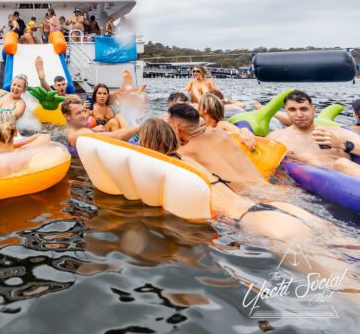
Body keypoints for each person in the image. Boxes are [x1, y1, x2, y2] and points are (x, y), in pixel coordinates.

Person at [139, 118, 339, 241]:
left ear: (146, 142)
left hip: (251, 220)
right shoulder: (187, 159)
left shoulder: (165, 169)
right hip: (274, 206)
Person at [166, 103, 267, 188]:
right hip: (269, 187)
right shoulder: (221, 133)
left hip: (249, 199)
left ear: (177, 129)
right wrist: (245, 130)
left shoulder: (183, 153)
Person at [268, 90, 360, 177]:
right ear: (286, 111)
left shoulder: (338, 133)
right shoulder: (277, 137)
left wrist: (342, 144)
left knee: (342, 163)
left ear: (313, 110)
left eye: (304, 109)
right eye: (292, 110)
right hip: (306, 186)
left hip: (347, 182)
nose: (299, 115)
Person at [61, 95, 139, 151]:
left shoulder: (69, 130)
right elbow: (117, 138)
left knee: (119, 118)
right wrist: (138, 127)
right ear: (67, 116)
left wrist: (93, 130)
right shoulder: (82, 133)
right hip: (124, 146)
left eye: (83, 111)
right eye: (78, 113)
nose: (83, 115)